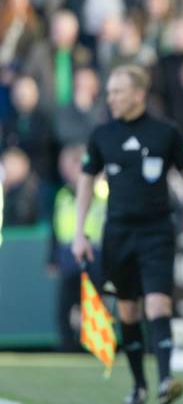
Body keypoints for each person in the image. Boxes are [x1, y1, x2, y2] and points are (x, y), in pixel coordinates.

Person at [71, 64, 183, 404]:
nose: (111, 98)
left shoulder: (166, 132)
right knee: (128, 311)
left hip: (157, 230)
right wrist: (79, 233)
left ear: (138, 94)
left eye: (118, 91)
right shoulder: (102, 134)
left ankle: (165, 380)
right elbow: (86, 180)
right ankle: (139, 385)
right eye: (110, 91)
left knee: (158, 302)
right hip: (118, 232)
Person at [50, 144, 106, 352]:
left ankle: (94, 345)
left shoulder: (101, 192)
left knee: (93, 303)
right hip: (67, 254)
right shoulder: (62, 195)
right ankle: (67, 346)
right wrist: (53, 258)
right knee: (65, 305)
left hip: (94, 254)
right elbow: (55, 229)